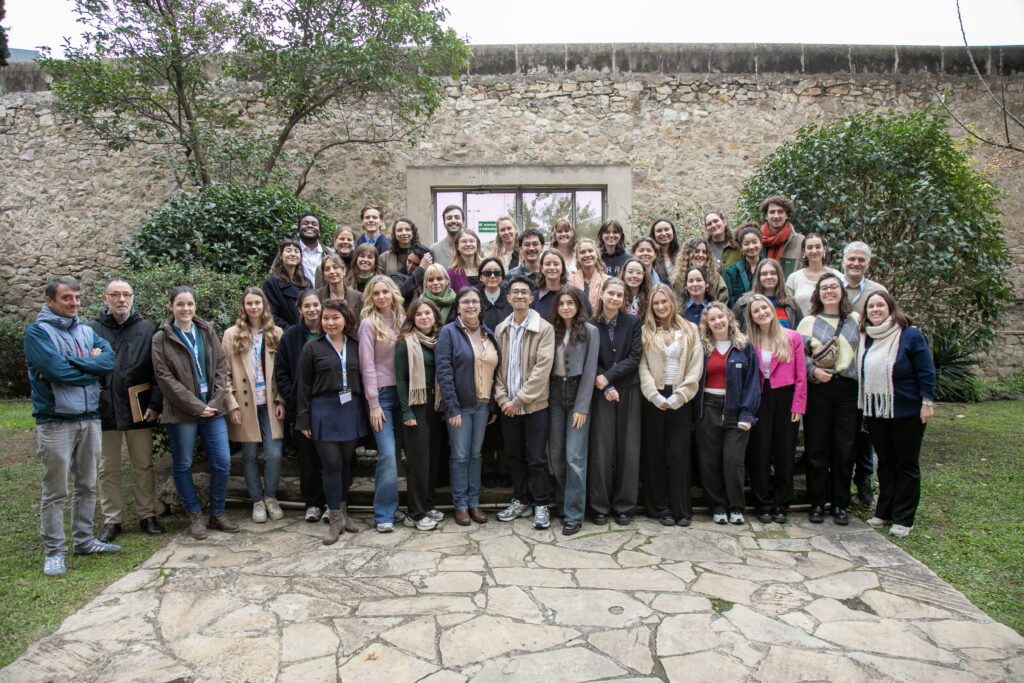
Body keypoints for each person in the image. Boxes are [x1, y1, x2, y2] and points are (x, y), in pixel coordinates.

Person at [26, 277, 118, 576]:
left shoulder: (87, 330)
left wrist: (75, 364)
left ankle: (84, 540)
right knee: (55, 491)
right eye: (67, 298)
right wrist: (88, 367)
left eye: (77, 297)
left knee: (87, 484)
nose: (74, 303)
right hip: (55, 422)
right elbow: (55, 371)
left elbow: (109, 362)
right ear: (50, 301)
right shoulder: (37, 333)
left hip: (89, 417)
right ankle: (54, 551)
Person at [151, 286, 238, 540]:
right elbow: (164, 378)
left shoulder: (206, 331)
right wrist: (196, 406)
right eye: (180, 304)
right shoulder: (161, 338)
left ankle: (217, 512)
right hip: (182, 413)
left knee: (222, 461)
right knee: (183, 464)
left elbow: (221, 367)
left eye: (189, 303)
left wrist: (214, 400)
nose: (185, 308)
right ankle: (194, 514)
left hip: (213, 409)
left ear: (195, 305)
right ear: (171, 307)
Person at [86, 278, 164, 544]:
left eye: (126, 294)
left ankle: (147, 514)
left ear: (133, 297)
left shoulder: (147, 328)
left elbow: (158, 370)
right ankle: (112, 519)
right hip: (104, 406)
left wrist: (155, 403)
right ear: (105, 298)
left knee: (143, 464)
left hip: (138, 406)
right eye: (115, 294)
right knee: (107, 467)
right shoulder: (91, 330)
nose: (121, 299)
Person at [859, 291, 936, 538]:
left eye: (880, 305)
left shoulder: (909, 335)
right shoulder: (867, 338)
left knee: (906, 464)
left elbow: (926, 370)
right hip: (877, 411)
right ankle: (884, 511)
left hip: (907, 411)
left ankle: (904, 518)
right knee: (886, 463)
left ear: (891, 308)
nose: (875, 310)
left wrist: (927, 402)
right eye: (871, 306)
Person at [295, 298, 368, 543]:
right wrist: (303, 420)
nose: (329, 322)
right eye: (325, 318)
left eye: (335, 317)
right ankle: (334, 517)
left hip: (351, 410)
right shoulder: (312, 348)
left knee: (347, 464)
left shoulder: (357, 345)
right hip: (323, 411)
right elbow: (303, 386)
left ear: (346, 319)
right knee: (331, 464)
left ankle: (344, 511)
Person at [797, 273, 861, 525]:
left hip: (847, 389)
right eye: (824, 288)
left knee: (845, 449)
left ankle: (839, 503)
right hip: (819, 390)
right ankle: (816, 503)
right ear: (818, 294)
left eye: (834, 287)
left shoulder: (856, 320)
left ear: (842, 292)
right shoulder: (808, 322)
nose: (830, 291)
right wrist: (814, 371)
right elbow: (799, 355)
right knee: (817, 448)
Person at [494, 276, 556, 529]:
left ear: (532, 298)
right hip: (507, 407)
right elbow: (496, 369)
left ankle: (541, 504)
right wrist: (503, 399)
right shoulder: (501, 329)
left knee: (537, 458)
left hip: (534, 406)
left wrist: (518, 401)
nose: (519, 296)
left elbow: (543, 370)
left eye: (524, 292)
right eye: (514, 292)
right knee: (514, 455)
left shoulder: (545, 329)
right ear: (508, 298)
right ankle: (521, 500)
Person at [638, 284, 703, 527]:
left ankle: (681, 508)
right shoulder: (645, 331)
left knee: (679, 453)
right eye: (656, 303)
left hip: (681, 398)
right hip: (653, 397)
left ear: (672, 303)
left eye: (664, 302)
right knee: (654, 453)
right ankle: (659, 507)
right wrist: (654, 396)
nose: (661, 307)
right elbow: (642, 365)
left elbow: (696, 365)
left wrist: (681, 395)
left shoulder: (690, 330)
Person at [436, 287, 500, 525]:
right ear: (458, 306)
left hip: (483, 406)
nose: (471, 306)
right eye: (465, 302)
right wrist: (450, 407)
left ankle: (474, 502)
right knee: (460, 456)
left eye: (475, 301)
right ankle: (460, 504)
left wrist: (493, 405)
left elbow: (495, 370)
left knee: (475, 455)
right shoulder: (449, 332)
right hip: (460, 407)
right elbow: (444, 371)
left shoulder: (488, 333)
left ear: (481, 305)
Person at [222, 288, 286, 523]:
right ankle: (257, 500)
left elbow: (283, 371)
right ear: (243, 306)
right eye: (249, 303)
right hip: (245, 402)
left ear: (264, 305)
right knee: (248, 454)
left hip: (269, 401)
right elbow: (225, 373)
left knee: (274, 453)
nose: (254, 307)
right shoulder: (231, 335)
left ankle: (270, 496)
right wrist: (232, 404)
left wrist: (281, 400)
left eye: (257, 302)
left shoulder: (275, 332)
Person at [695, 301, 760, 525]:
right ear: (706, 323)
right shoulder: (703, 347)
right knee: (709, 461)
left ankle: (736, 507)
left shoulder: (744, 347)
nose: (717, 322)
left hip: (735, 410)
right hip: (708, 409)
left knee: (733, 461)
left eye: (721, 317)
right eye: (712, 319)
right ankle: (718, 506)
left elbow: (753, 384)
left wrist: (747, 414)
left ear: (729, 318)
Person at [745, 294, 807, 524]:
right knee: (760, 451)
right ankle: (762, 502)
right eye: (756, 311)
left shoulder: (793, 338)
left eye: (764, 308)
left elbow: (801, 375)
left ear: (772, 309)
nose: (761, 313)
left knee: (784, 452)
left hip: (786, 396)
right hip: (760, 397)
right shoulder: (749, 340)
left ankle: (782, 502)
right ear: (751, 317)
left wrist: (798, 405)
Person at [588, 277, 643, 525]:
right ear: (602, 294)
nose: (615, 298)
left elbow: (634, 357)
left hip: (629, 391)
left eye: (620, 295)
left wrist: (608, 377)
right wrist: (605, 384)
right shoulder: (590, 324)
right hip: (600, 393)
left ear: (624, 299)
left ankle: (624, 506)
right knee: (601, 449)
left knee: (628, 449)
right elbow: (590, 358)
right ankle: (599, 505)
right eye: (611, 293)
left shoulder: (632, 322)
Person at [547, 286, 599, 536]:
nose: (565, 307)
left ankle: (574, 513)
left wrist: (582, 407)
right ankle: (563, 503)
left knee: (574, 456)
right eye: (561, 303)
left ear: (578, 305)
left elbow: (590, 371)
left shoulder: (590, 331)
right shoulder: (552, 330)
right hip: (555, 393)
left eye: (570, 303)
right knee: (556, 455)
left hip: (577, 392)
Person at [841, 240, 888, 506]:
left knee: (866, 430)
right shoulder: (835, 286)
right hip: (842, 371)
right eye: (852, 259)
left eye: (861, 260)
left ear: (868, 264)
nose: (856, 263)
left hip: (868, 368)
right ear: (843, 261)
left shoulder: (876, 291)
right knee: (848, 430)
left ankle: (864, 480)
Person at [275, 289, 328, 522]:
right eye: (307, 306)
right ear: (299, 309)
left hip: (329, 407)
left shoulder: (332, 332)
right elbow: (282, 371)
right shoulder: (290, 336)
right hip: (302, 407)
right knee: (307, 460)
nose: (312, 310)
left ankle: (332, 502)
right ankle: (313, 504)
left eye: (316, 305)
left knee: (330, 458)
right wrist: (291, 396)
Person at [358, 275, 405, 532]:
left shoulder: (402, 319)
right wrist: (373, 403)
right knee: (386, 455)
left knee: (397, 456)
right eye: (376, 293)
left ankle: (393, 506)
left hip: (405, 395)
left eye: (385, 292)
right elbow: (366, 365)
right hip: (382, 397)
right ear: (371, 297)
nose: (382, 297)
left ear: (393, 293)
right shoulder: (368, 324)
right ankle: (383, 514)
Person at [395, 298, 447, 531]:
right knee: (417, 461)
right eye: (419, 314)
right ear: (412, 319)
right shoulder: (406, 343)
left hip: (434, 404)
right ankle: (414, 513)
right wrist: (406, 412)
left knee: (432, 458)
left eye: (428, 313)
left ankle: (427, 503)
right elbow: (400, 379)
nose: (424, 317)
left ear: (435, 316)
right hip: (415, 404)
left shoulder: (439, 341)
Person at [733, 258, 803, 332]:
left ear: (779, 276)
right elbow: (733, 331)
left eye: (773, 273)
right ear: (758, 277)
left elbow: (800, 334)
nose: (769, 277)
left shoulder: (791, 304)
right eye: (764, 274)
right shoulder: (744, 303)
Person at [785, 233, 840, 316]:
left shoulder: (837, 276)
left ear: (824, 249)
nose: (814, 251)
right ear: (804, 251)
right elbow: (788, 309)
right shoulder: (794, 278)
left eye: (818, 247)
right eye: (810, 248)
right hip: (801, 327)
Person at [263, 239, 310, 330]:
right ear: (280, 255)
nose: (293, 254)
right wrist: (291, 332)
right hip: (283, 334)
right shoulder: (271, 283)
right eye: (288, 251)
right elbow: (270, 314)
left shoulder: (306, 283)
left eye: (296, 251)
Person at [671, 236, 729, 305]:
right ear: (688, 254)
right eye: (697, 251)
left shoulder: (715, 278)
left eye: (704, 252)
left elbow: (723, 301)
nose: (701, 255)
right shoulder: (677, 279)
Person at [758, 195, 805, 279]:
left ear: (786, 215)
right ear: (766, 216)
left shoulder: (800, 241)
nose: (776, 216)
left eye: (780, 212)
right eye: (772, 212)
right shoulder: (756, 241)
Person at [723, 224, 764, 307]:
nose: (751, 247)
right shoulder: (731, 272)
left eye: (754, 242)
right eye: (746, 244)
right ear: (741, 247)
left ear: (761, 244)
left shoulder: (769, 268)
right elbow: (730, 301)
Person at [316, 253, 363, 320]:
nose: (332, 272)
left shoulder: (359, 297)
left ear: (344, 270)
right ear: (323, 275)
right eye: (327, 269)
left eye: (335, 267)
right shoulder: (317, 296)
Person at [531, 248, 575, 320]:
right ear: (542, 268)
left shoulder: (577, 295)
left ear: (562, 268)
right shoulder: (533, 298)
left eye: (556, 264)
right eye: (547, 264)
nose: (552, 267)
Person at [567, 238, 609, 313]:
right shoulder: (570, 281)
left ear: (596, 254)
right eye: (582, 252)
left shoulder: (607, 281)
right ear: (577, 257)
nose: (587, 255)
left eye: (590, 251)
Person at [390, 243, 433, 308]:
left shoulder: (430, 281)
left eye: (416, 265)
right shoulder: (396, 277)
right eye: (409, 261)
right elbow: (400, 291)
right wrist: (420, 269)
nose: (410, 267)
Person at [479, 256, 512, 330]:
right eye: (487, 273)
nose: (492, 276)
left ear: (502, 276)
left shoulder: (511, 299)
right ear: (481, 277)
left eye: (497, 273)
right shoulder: (476, 300)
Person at [429, 204, 465, 269]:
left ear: (463, 222)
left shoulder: (473, 248)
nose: (453, 221)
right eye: (449, 218)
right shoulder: (434, 250)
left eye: (457, 217)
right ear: (444, 224)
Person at [297, 213, 326, 287]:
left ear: (319, 232)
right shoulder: (289, 252)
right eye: (305, 223)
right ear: (299, 230)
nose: (310, 226)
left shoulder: (329, 253)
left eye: (314, 224)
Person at [649, 218, 680, 282]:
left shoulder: (681, 255)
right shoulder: (650, 257)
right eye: (659, 231)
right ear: (654, 234)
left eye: (667, 229)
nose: (663, 233)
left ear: (672, 231)